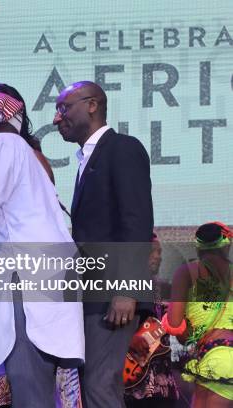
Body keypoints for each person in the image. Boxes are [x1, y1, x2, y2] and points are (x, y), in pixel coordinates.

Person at [0, 84, 85, 407]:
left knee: (29, 393)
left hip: (22, 287)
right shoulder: (28, 156)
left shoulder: (1, 143)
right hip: (47, 288)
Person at [53, 80, 153, 407]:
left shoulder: (122, 148)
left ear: (92, 105)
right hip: (93, 291)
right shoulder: (88, 158)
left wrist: (126, 290)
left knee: (99, 385)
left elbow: (136, 220)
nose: (57, 118)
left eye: (64, 107)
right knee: (93, 383)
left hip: (114, 293)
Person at [165, 222, 232, 407]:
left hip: (214, 357)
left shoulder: (187, 272)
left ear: (198, 248)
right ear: (227, 246)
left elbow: (174, 325)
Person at [124, 234, 180, 408]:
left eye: (159, 252)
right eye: (152, 251)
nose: (158, 256)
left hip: (163, 383)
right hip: (137, 384)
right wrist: (128, 340)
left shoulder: (161, 287)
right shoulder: (125, 285)